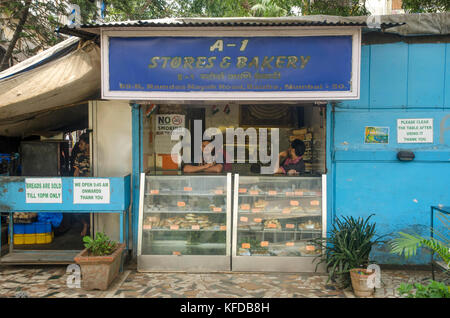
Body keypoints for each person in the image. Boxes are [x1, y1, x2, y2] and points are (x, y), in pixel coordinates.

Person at [72, 133, 91, 236]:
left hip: (94, 188)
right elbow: (76, 172)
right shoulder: (79, 157)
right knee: (77, 211)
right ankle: (85, 224)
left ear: (88, 145)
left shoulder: (95, 155)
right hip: (82, 186)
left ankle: (90, 226)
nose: (79, 146)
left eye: (81, 144)